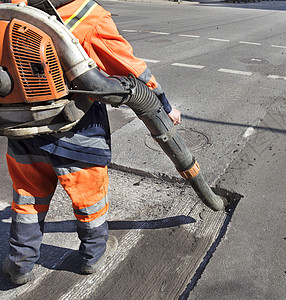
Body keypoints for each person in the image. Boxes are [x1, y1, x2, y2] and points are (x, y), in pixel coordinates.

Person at [1, 0, 181, 285]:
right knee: (90, 201)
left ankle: (20, 266)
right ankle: (93, 256)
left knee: (27, 202)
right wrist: (164, 105)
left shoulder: (10, 8)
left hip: (22, 130)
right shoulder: (87, 15)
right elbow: (132, 69)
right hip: (78, 134)